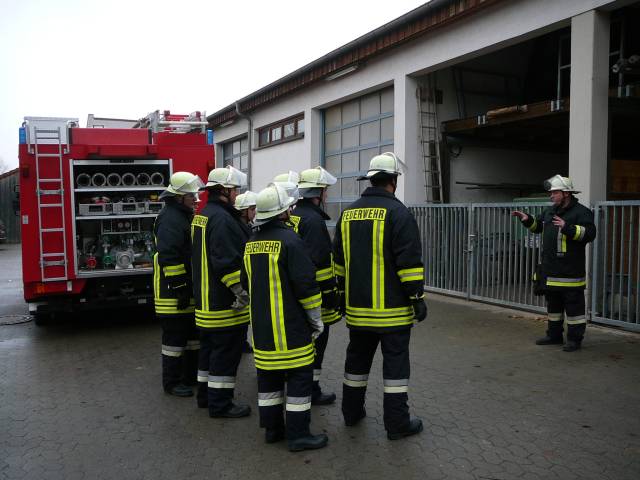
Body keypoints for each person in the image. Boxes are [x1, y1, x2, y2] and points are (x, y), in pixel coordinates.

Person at [333, 152, 427, 440]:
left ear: (371, 180)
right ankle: (397, 424)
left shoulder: (348, 214)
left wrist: (341, 294)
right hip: (393, 313)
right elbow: (409, 264)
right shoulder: (399, 213)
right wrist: (417, 298)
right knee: (395, 369)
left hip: (357, 311)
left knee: (356, 364)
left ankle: (351, 413)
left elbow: (338, 262)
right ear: (393, 180)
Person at [241, 183, 329, 452]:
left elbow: (245, 283)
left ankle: (273, 430)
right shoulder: (291, 241)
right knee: (300, 380)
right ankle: (299, 435)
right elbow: (306, 286)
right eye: (288, 208)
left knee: (269, 381)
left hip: (263, 331)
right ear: (282, 212)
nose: (291, 211)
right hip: (291, 329)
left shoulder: (251, 243)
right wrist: (316, 320)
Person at [191, 166, 252, 418]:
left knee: (208, 353)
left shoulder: (203, 215)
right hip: (223, 304)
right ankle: (221, 405)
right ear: (225, 191)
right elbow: (226, 263)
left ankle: (205, 397)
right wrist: (242, 293)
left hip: (205, 301)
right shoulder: (223, 220)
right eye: (235, 189)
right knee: (225, 356)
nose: (237, 194)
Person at [512, 174, 596, 352]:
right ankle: (554, 335)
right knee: (554, 307)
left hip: (570, 272)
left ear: (566, 193)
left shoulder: (581, 212)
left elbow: (589, 234)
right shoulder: (550, 211)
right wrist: (527, 220)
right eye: (551, 193)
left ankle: (574, 340)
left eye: (554, 192)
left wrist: (567, 227)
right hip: (551, 270)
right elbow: (538, 227)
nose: (551, 196)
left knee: (574, 310)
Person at [291, 166, 341, 405]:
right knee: (316, 344)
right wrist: (330, 294)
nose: (327, 194)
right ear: (317, 193)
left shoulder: (294, 215)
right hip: (315, 297)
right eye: (325, 190)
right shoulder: (313, 221)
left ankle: (301, 385)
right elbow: (320, 263)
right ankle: (311, 390)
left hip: (297, 294)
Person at [153, 171, 203, 397]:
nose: (195, 199)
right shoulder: (171, 218)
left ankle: (189, 376)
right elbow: (170, 257)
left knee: (191, 338)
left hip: (184, 289)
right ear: (179, 197)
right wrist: (180, 287)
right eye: (191, 195)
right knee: (174, 341)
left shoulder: (181, 215)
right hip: (171, 292)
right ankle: (171, 383)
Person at [234, 190, 258, 354]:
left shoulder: (247, 226)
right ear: (243, 211)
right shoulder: (238, 227)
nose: (255, 212)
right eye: (252, 209)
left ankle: (241, 341)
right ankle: (240, 342)